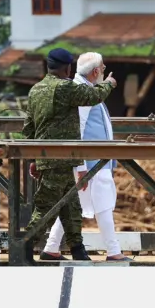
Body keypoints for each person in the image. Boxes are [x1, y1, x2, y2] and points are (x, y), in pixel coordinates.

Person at [20, 48, 116, 262]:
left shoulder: (36, 89)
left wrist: (34, 158)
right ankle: (23, 247)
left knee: (71, 207)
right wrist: (109, 83)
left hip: (50, 157)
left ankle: (77, 251)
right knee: (46, 208)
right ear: (67, 68)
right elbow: (94, 95)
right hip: (60, 158)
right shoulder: (65, 87)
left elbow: (29, 127)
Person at [40, 52, 130, 262]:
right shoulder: (82, 92)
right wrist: (79, 165)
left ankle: (51, 247)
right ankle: (114, 251)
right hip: (91, 162)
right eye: (103, 69)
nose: (104, 71)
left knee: (75, 205)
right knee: (104, 204)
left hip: (93, 161)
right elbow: (77, 130)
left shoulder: (84, 89)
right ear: (96, 71)